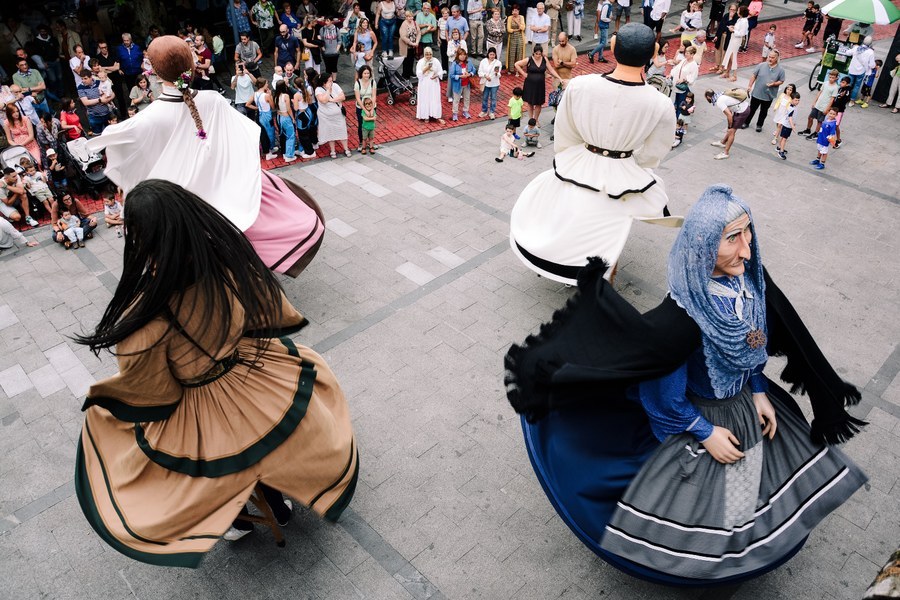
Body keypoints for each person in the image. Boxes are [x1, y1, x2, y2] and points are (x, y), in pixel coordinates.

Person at [505, 184, 867, 584]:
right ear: (702, 244)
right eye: (733, 239)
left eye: (749, 234)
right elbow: (662, 397)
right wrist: (707, 432)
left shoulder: (748, 282)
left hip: (744, 402)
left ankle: (742, 540)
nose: (747, 251)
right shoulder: (680, 324)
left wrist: (759, 389)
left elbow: (754, 342)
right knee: (711, 497)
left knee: (747, 488)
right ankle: (713, 562)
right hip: (703, 414)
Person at [73, 179, 358, 566]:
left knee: (127, 439)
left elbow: (155, 393)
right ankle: (281, 496)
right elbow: (265, 316)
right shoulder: (231, 268)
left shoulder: (144, 320)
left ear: (140, 239)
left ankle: (236, 517)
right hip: (249, 376)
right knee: (286, 409)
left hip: (199, 400)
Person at [86, 36, 326, 277]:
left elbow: (117, 145)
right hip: (220, 185)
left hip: (181, 200)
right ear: (191, 67)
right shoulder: (213, 99)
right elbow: (242, 138)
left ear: (155, 74)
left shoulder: (148, 118)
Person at [510, 24, 678, 285]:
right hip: (622, 168)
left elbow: (566, 129)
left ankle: (569, 265)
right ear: (653, 53)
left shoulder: (580, 86)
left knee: (575, 216)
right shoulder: (660, 103)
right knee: (613, 226)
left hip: (583, 160)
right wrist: (634, 165)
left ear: (612, 47)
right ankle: (602, 281)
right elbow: (656, 149)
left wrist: (574, 155)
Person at [515, 44, 560, 127]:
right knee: (530, 103)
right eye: (536, 54)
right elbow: (517, 64)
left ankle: (535, 120)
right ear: (533, 53)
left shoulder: (544, 60)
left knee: (539, 103)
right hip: (530, 84)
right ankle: (530, 119)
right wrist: (524, 74)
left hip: (540, 85)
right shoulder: (529, 59)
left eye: (539, 54)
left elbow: (551, 69)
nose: (538, 56)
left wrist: (559, 78)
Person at [743, 49, 785, 132]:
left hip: (768, 95)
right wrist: (749, 86)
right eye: (769, 57)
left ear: (777, 58)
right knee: (752, 109)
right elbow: (754, 75)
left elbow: (782, 81)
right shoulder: (761, 65)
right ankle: (746, 122)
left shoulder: (780, 70)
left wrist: (774, 84)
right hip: (757, 93)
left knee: (764, 111)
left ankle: (759, 125)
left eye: (772, 58)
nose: (770, 59)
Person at [314, 72, 352, 158]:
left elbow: (342, 97)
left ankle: (346, 149)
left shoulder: (335, 86)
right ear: (324, 82)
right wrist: (328, 90)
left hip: (338, 115)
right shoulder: (318, 90)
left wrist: (331, 100)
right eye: (329, 81)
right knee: (331, 133)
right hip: (326, 116)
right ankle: (333, 150)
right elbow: (323, 100)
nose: (331, 82)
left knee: (342, 131)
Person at [706, 87, 751, 159]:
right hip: (741, 108)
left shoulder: (719, 102)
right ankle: (723, 142)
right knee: (730, 130)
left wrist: (729, 127)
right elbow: (729, 112)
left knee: (732, 131)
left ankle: (726, 153)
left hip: (742, 111)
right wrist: (729, 126)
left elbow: (729, 115)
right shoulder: (720, 95)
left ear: (708, 97)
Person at [800, 70, 837, 138]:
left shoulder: (835, 87)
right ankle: (808, 130)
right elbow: (819, 92)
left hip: (824, 106)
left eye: (833, 77)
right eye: (830, 77)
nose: (831, 79)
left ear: (836, 78)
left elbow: (832, 99)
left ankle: (816, 133)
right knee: (810, 117)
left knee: (819, 121)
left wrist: (827, 109)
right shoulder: (825, 83)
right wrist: (814, 102)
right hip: (818, 104)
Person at [415, 47, 446, 124]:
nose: (428, 56)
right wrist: (427, 68)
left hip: (433, 83)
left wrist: (436, 75)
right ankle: (426, 116)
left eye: (430, 54)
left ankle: (436, 115)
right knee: (425, 98)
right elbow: (418, 74)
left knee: (434, 98)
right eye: (427, 54)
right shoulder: (421, 62)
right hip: (424, 83)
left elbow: (440, 71)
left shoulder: (435, 61)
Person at [720, 5, 748, 81]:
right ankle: (727, 72)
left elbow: (742, 33)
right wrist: (733, 27)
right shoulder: (740, 19)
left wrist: (733, 30)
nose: (737, 12)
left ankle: (735, 75)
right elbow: (737, 28)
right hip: (733, 39)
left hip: (736, 40)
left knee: (733, 56)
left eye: (738, 10)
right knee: (729, 55)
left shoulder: (744, 21)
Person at [449, 48, 477, 120]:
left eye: (464, 55)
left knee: (467, 98)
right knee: (456, 99)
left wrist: (470, 74)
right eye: (461, 55)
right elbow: (451, 75)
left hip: (467, 84)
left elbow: (474, 70)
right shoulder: (454, 64)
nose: (463, 56)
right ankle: (455, 113)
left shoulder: (468, 62)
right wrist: (460, 76)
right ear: (458, 55)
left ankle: (465, 111)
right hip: (458, 85)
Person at [274, 80, 297, 162]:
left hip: (280, 117)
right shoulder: (286, 96)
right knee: (291, 136)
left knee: (285, 135)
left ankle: (286, 153)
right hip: (286, 117)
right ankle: (289, 155)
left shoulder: (276, 96)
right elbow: (288, 109)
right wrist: (293, 118)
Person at [672, 46, 698, 118]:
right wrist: (670, 74)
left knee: (681, 103)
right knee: (677, 102)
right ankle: (676, 119)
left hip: (684, 88)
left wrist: (683, 79)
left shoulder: (694, 65)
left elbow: (693, 77)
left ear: (692, 55)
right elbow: (677, 68)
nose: (686, 54)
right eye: (686, 52)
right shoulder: (684, 60)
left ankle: (678, 120)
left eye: (688, 53)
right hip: (678, 85)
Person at [773, 91, 800, 160]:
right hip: (787, 126)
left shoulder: (794, 106)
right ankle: (781, 151)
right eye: (796, 100)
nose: (797, 102)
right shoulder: (791, 108)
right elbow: (790, 118)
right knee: (784, 139)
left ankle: (779, 147)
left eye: (798, 100)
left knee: (783, 137)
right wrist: (793, 126)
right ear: (791, 100)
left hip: (788, 125)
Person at [711, 4, 737, 74]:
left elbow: (730, 26)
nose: (732, 11)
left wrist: (731, 18)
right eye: (731, 9)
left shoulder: (736, 18)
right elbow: (721, 25)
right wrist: (717, 35)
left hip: (728, 36)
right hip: (721, 35)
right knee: (718, 49)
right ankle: (717, 64)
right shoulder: (726, 15)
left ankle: (722, 68)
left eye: (734, 10)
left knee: (724, 51)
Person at [478, 47, 503, 118]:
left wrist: (496, 73)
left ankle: (492, 112)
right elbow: (480, 72)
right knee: (485, 97)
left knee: (493, 98)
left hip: (494, 83)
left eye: (493, 54)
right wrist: (485, 76)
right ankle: (484, 111)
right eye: (491, 54)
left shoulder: (498, 63)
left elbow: (499, 75)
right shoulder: (483, 61)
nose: (492, 56)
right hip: (486, 83)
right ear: (488, 54)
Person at [446, 29, 468, 101]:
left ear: (459, 35)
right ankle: (450, 95)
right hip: (452, 61)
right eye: (454, 34)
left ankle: (459, 93)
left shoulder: (463, 42)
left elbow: (466, 51)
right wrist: (455, 51)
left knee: (459, 77)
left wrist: (460, 51)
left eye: (456, 34)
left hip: (460, 62)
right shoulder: (450, 43)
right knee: (451, 78)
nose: (455, 36)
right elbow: (448, 53)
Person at [399, 11, 422, 78]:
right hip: (406, 45)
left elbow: (419, 33)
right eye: (408, 17)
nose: (410, 18)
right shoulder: (404, 24)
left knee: (411, 59)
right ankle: (405, 75)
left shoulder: (415, 23)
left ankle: (411, 72)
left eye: (411, 16)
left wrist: (417, 42)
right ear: (406, 17)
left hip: (413, 45)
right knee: (406, 60)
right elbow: (403, 36)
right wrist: (412, 43)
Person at [506, 5, 527, 74]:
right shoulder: (509, 18)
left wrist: (517, 22)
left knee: (519, 53)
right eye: (514, 10)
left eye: (517, 11)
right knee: (512, 54)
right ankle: (511, 69)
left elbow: (523, 28)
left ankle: (518, 70)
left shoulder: (521, 17)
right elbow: (509, 29)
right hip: (512, 38)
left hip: (520, 37)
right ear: (512, 12)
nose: (515, 12)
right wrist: (516, 30)